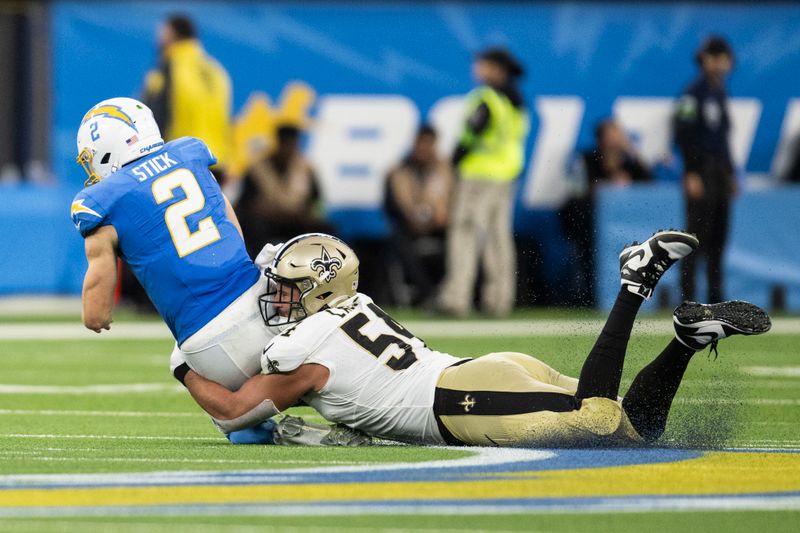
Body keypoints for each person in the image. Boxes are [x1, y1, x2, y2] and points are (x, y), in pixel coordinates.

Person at [179, 231, 771, 447]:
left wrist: (185, 367)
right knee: (633, 428)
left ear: (316, 291)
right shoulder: (348, 308)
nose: (275, 297)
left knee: (597, 421)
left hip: (459, 398)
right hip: (483, 377)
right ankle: (688, 340)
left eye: (286, 287)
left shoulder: (303, 351)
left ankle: (635, 281)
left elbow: (233, 411)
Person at [71, 97, 359, 446]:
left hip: (208, 352)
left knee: (181, 359)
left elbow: (95, 314)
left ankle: (251, 424)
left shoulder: (103, 200)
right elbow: (233, 230)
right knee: (280, 264)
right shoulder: (190, 156)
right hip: (267, 311)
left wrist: (98, 311)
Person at [438, 47, 529, 317]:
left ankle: (456, 297)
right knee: (498, 238)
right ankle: (499, 299)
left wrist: (453, 161)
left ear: (496, 68)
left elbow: (471, 134)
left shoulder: (486, 98)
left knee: (465, 234)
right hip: (506, 176)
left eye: (482, 64)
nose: (476, 69)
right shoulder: (516, 101)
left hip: (479, 175)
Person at [560, 118, 651, 306]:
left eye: (619, 135)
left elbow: (649, 186)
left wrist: (632, 152)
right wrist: (607, 187)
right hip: (590, 224)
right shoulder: (587, 159)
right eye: (611, 135)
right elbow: (577, 192)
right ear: (601, 139)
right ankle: (589, 295)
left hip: (626, 226)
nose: (616, 141)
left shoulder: (629, 163)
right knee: (587, 241)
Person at [674, 35, 737, 303]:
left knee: (719, 240)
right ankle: (688, 299)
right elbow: (683, 134)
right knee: (696, 239)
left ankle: (716, 300)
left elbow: (722, 139)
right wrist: (691, 172)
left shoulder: (719, 92)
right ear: (707, 59)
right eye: (720, 57)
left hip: (720, 172)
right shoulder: (692, 93)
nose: (725, 63)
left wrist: (731, 172)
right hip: (701, 172)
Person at [142, 13, 232, 182]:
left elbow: (151, 117)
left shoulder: (169, 67)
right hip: (216, 162)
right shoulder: (216, 70)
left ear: (170, 34)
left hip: (178, 161)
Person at [235, 124, 331, 258]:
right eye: (285, 144)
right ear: (278, 143)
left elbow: (317, 200)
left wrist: (310, 214)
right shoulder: (258, 168)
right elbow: (244, 203)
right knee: (253, 228)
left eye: (292, 144)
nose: (288, 149)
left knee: (325, 229)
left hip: (296, 221)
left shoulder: (306, 168)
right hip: (266, 221)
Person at [384, 125, 454, 307]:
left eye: (428, 144)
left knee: (459, 239)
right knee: (397, 240)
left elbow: (454, 202)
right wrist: (412, 217)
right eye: (420, 143)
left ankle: (451, 292)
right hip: (409, 226)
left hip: (439, 226)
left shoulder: (445, 170)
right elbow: (392, 206)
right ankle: (428, 293)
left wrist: (444, 217)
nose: (423, 148)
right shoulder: (399, 171)